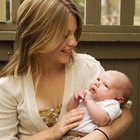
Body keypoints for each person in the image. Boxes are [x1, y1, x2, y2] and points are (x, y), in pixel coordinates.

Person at [0, 0, 132, 140]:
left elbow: (124, 111)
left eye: (74, 33)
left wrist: (98, 136)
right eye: (64, 35)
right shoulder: (8, 86)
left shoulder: (88, 67)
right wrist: (53, 133)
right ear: (37, 34)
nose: (73, 42)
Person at [63, 70, 133, 139]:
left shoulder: (112, 104)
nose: (97, 83)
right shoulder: (87, 96)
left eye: (105, 85)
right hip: (68, 134)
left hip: (86, 136)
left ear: (118, 99)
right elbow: (70, 112)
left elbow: (102, 121)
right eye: (98, 79)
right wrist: (75, 100)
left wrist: (90, 101)